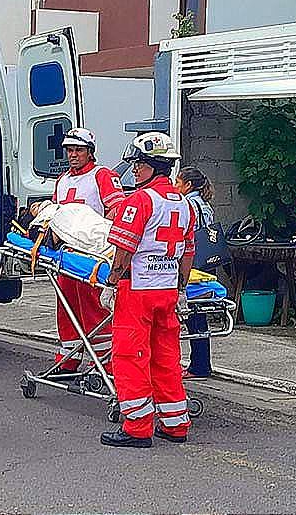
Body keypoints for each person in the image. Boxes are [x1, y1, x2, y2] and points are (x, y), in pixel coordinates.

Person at [100, 132, 195, 448]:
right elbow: (187, 254)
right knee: (167, 357)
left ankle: (137, 428)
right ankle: (175, 424)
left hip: (137, 291)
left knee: (130, 357)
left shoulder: (138, 201)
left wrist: (111, 284)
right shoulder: (185, 205)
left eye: (140, 165)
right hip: (167, 292)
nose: (135, 170)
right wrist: (180, 289)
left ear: (155, 166)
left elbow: (124, 250)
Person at [50, 128, 125, 375]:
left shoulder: (102, 175)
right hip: (67, 253)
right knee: (67, 306)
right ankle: (68, 358)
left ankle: (104, 362)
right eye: (69, 150)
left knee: (93, 308)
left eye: (78, 150)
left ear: (90, 152)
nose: (73, 155)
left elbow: (117, 208)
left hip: (91, 254)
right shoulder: (62, 180)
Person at [175, 166, 215, 379]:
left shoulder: (187, 204)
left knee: (193, 315)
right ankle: (201, 363)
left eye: (178, 183)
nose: (175, 187)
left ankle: (198, 366)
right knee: (200, 314)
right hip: (206, 262)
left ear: (188, 185)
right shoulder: (204, 204)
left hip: (194, 264)